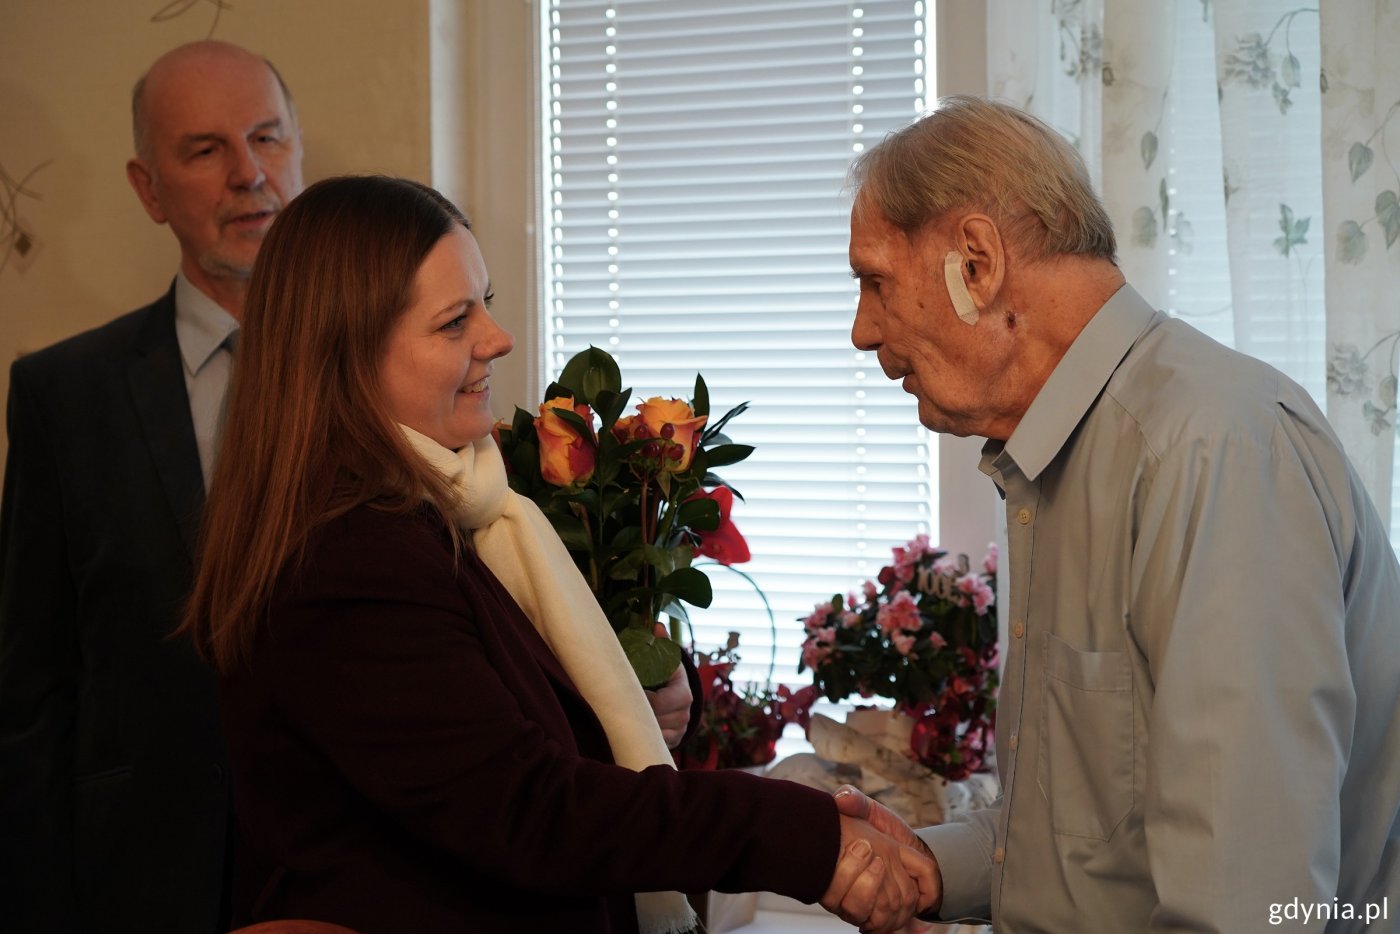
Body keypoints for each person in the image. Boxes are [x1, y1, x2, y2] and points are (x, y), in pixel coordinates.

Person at [178, 174, 939, 934]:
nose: (495, 338)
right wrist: (804, 838)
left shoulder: (462, 509)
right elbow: (531, 812)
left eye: (487, 301)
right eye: (453, 321)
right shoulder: (347, 560)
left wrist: (665, 692)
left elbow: (544, 714)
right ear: (345, 360)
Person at [837, 95, 1400, 931]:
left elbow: (1247, 903)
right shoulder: (1059, 465)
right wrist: (927, 867)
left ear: (977, 263)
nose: (861, 331)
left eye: (875, 282)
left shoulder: (1209, 452)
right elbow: (1099, 827)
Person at [0, 40, 304, 933]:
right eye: (205, 150)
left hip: (352, 867)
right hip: (144, 879)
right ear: (148, 188)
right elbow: (32, 688)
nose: (250, 174)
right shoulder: (65, 394)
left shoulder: (383, 361)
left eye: (267, 137)